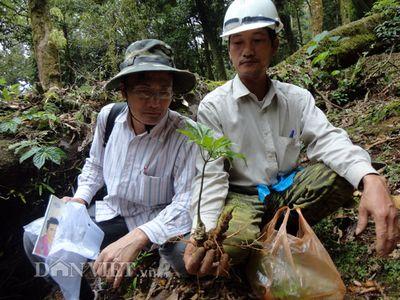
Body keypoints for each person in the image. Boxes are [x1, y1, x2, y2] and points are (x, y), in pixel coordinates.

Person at [184, 0, 399, 276]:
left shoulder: (295, 99)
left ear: (274, 45)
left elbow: (328, 139)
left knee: (342, 176)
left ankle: (275, 233)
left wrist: (369, 178)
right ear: (229, 51)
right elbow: (210, 175)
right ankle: (260, 238)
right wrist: (202, 233)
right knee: (224, 251)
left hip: (286, 190)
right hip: (242, 197)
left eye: (258, 40)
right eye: (237, 43)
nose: (247, 51)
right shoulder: (215, 106)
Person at [23, 39, 197, 298]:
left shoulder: (185, 135)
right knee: (37, 239)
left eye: (164, 92)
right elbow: (95, 164)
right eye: (144, 92)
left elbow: (186, 202)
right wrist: (80, 199)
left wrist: (139, 236)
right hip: (110, 210)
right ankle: (70, 291)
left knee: (183, 258)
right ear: (124, 91)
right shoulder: (110, 117)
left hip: (152, 220)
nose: (155, 102)